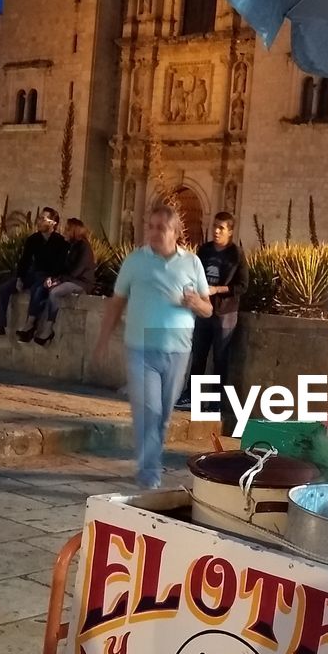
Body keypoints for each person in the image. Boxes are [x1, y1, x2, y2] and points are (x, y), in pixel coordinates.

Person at [93, 203, 211, 489]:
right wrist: (103, 340)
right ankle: (149, 475)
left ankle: (150, 463)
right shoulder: (135, 261)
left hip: (179, 351)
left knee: (163, 416)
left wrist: (196, 303)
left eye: (162, 227)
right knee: (148, 411)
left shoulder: (192, 263)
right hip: (141, 348)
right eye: (151, 226)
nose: (154, 232)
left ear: (175, 232)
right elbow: (117, 302)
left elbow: (208, 309)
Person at [177, 211, 249, 413]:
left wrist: (217, 289)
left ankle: (215, 403)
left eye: (221, 228)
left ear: (230, 231)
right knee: (198, 355)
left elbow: (242, 286)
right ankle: (191, 396)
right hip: (203, 310)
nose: (216, 231)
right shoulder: (205, 251)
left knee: (220, 358)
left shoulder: (237, 254)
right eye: (215, 226)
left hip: (225, 313)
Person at [0, 207, 68, 340]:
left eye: (43, 219)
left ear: (53, 223)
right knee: (4, 288)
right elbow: (25, 260)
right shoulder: (33, 239)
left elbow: (61, 264)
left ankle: (29, 325)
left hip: (46, 275)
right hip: (32, 273)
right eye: (39, 218)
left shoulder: (61, 242)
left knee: (37, 289)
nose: (39, 221)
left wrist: (52, 278)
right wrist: (19, 278)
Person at [26, 217, 96, 346]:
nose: (64, 231)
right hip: (70, 279)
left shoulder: (84, 247)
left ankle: (48, 328)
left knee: (55, 292)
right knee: (44, 288)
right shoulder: (71, 246)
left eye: (68, 229)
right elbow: (62, 268)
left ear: (74, 231)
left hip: (82, 282)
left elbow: (77, 271)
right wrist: (53, 279)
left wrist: (59, 281)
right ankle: (32, 323)